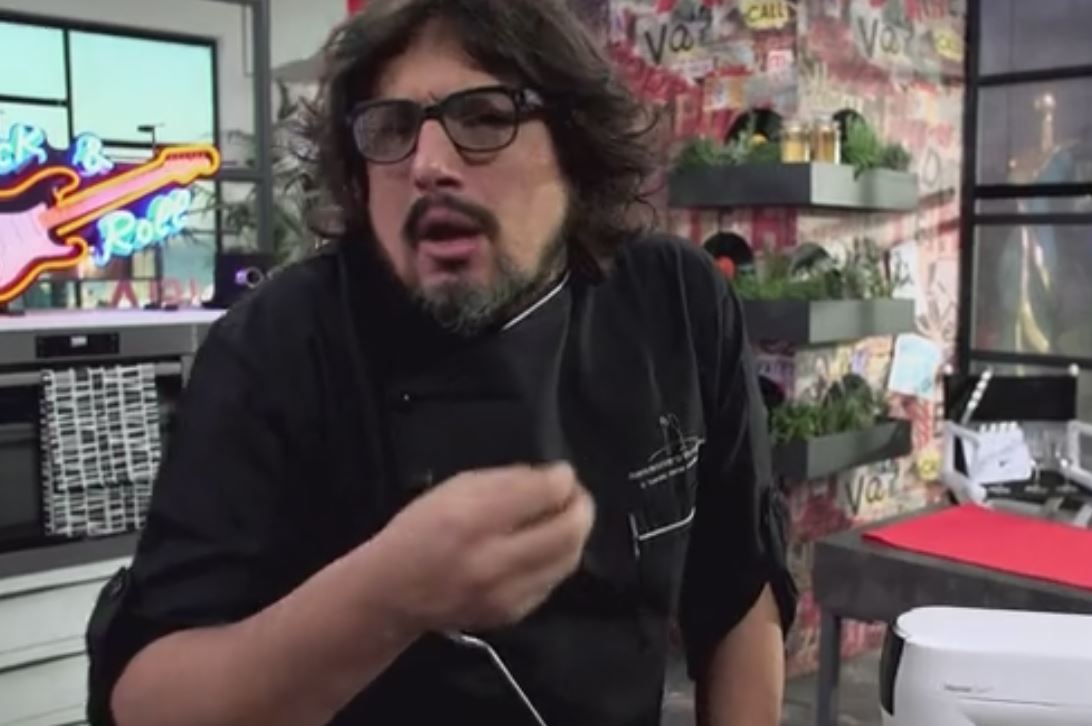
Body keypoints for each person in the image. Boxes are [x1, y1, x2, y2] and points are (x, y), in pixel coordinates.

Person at [86, 1, 797, 725]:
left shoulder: (675, 301)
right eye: (391, 129)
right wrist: (388, 597)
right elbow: (147, 701)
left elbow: (738, 590)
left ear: (574, 146)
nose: (426, 166)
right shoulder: (276, 345)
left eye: (484, 117)